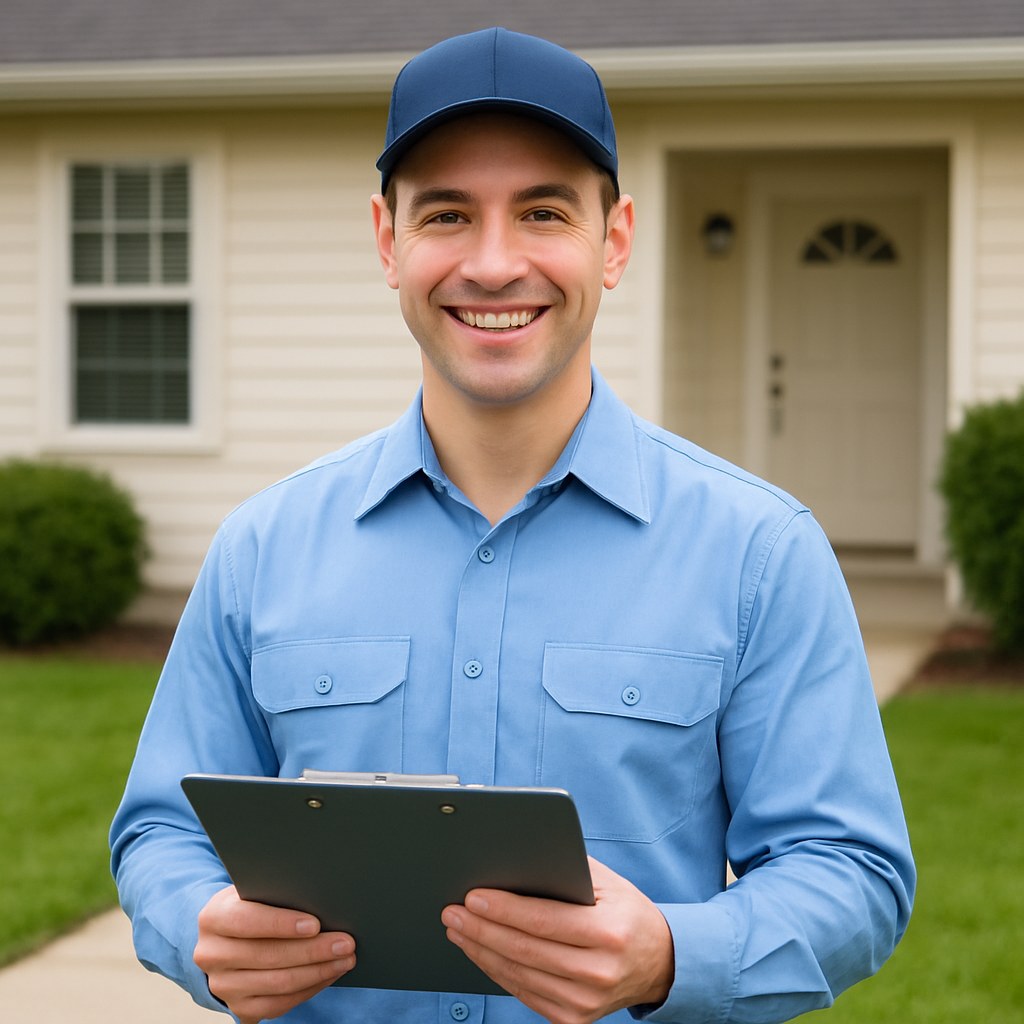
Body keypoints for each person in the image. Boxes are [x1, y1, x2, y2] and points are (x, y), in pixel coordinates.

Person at [110, 26, 915, 1024]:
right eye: (447, 214)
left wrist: (671, 955)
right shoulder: (261, 549)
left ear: (614, 241)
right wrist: (200, 925)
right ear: (387, 241)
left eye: (543, 212)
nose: (493, 265)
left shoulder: (759, 553)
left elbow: (850, 870)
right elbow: (160, 833)